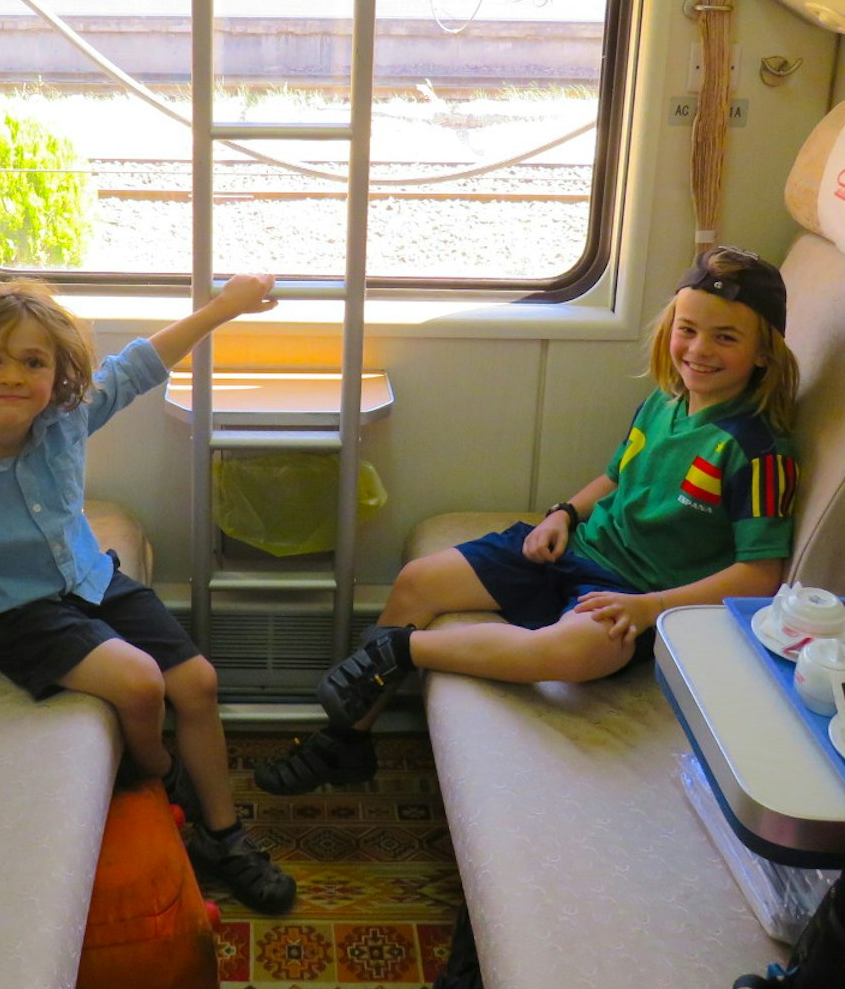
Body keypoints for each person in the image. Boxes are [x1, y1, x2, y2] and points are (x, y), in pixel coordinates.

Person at [257, 245, 802, 796]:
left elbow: (760, 576)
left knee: (570, 653)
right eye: (687, 330)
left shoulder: (759, 453)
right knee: (419, 580)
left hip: (635, 593)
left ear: (763, 354)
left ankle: (396, 649)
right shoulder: (666, 402)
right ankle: (345, 742)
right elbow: (615, 477)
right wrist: (562, 514)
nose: (699, 350)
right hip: (577, 548)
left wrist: (648, 609)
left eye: (726, 338)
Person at [0, 273, 297, 913]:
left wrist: (223, 308)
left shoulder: (65, 423)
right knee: (142, 683)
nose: (11, 376)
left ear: (58, 378)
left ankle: (224, 839)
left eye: (33, 362)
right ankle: (161, 775)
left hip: (90, 577)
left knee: (197, 682)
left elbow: (141, 363)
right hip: (13, 610)